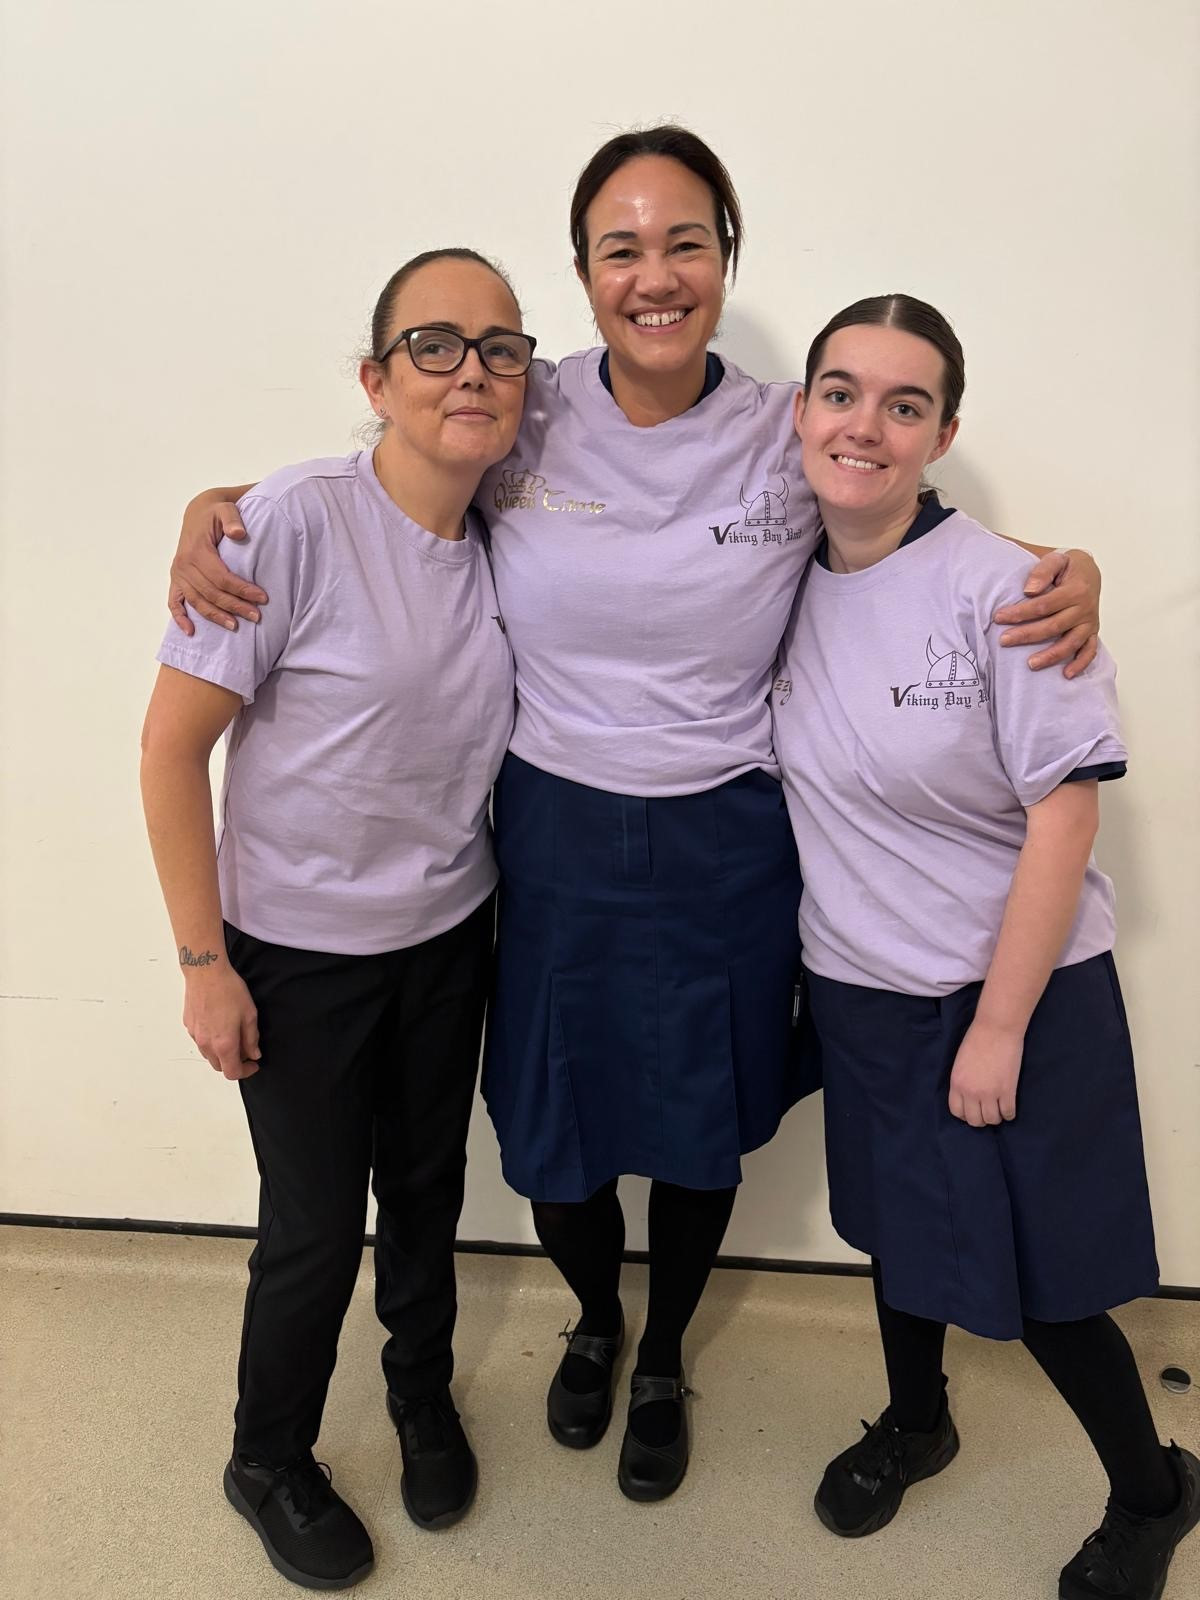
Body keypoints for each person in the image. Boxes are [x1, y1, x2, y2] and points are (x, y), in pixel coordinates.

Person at [164, 127, 1103, 1506]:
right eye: (622, 248)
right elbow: (389, 452)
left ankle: (662, 1350)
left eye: (686, 244)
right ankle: (595, 1318)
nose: (656, 276)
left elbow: (899, 496)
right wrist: (212, 510)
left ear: (726, 258)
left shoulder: (786, 425)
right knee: (556, 1134)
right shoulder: (523, 401)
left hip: (729, 841)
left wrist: (1062, 564)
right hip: (549, 838)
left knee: (694, 1124)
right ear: (585, 275)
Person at [771, 293, 1198, 1600]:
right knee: (902, 1238)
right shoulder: (771, 578)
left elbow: (1067, 813)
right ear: (801, 412)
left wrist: (1001, 1026)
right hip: (862, 988)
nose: (866, 425)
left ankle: (1155, 1485)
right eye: (841, 392)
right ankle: (917, 1420)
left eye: (905, 405)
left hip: (1011, 992)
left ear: (942, 431)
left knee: (1055, 1276)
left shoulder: (1012, 594)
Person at [141, 248, 531, 1590]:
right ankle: (268, 1458)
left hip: (446, 938)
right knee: (315, 1221)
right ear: (375, 378)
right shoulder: (290, 520)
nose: (469, 368)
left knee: (427, 1192)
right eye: (433, 343)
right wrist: (205, 965)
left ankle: (420, 1394)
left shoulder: (513, 520)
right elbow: (167, 751)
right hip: (298, 955)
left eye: (498, 346)